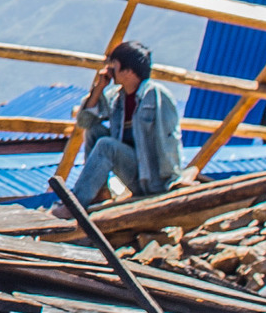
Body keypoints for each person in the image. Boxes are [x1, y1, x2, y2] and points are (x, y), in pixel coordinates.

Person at [57, 41, 182, 214]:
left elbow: (168, 138)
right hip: (134, 172)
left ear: (128, 71)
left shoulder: (155, 95)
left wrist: (171, 180)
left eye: (114, 66)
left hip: (152, 177)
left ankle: (74, 206)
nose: (110, 71)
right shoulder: (117, 98)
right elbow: (85, 122)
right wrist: (99, 88)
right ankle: (98, 193)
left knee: (107, 146)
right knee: (95, 131)